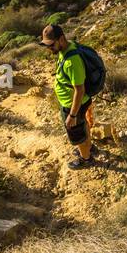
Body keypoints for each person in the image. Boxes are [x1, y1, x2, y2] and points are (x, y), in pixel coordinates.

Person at [40, 23, 97, 169]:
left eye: (51, 45)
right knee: (82, 126)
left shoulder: (72, 61)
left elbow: (80, 90)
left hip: (73, 105)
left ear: (61, 39)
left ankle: (86, 159)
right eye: (46, 45)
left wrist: (72, 115)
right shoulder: (67, 48)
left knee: (77, 134)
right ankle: (88, 148)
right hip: (76, 103)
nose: (48, 49)